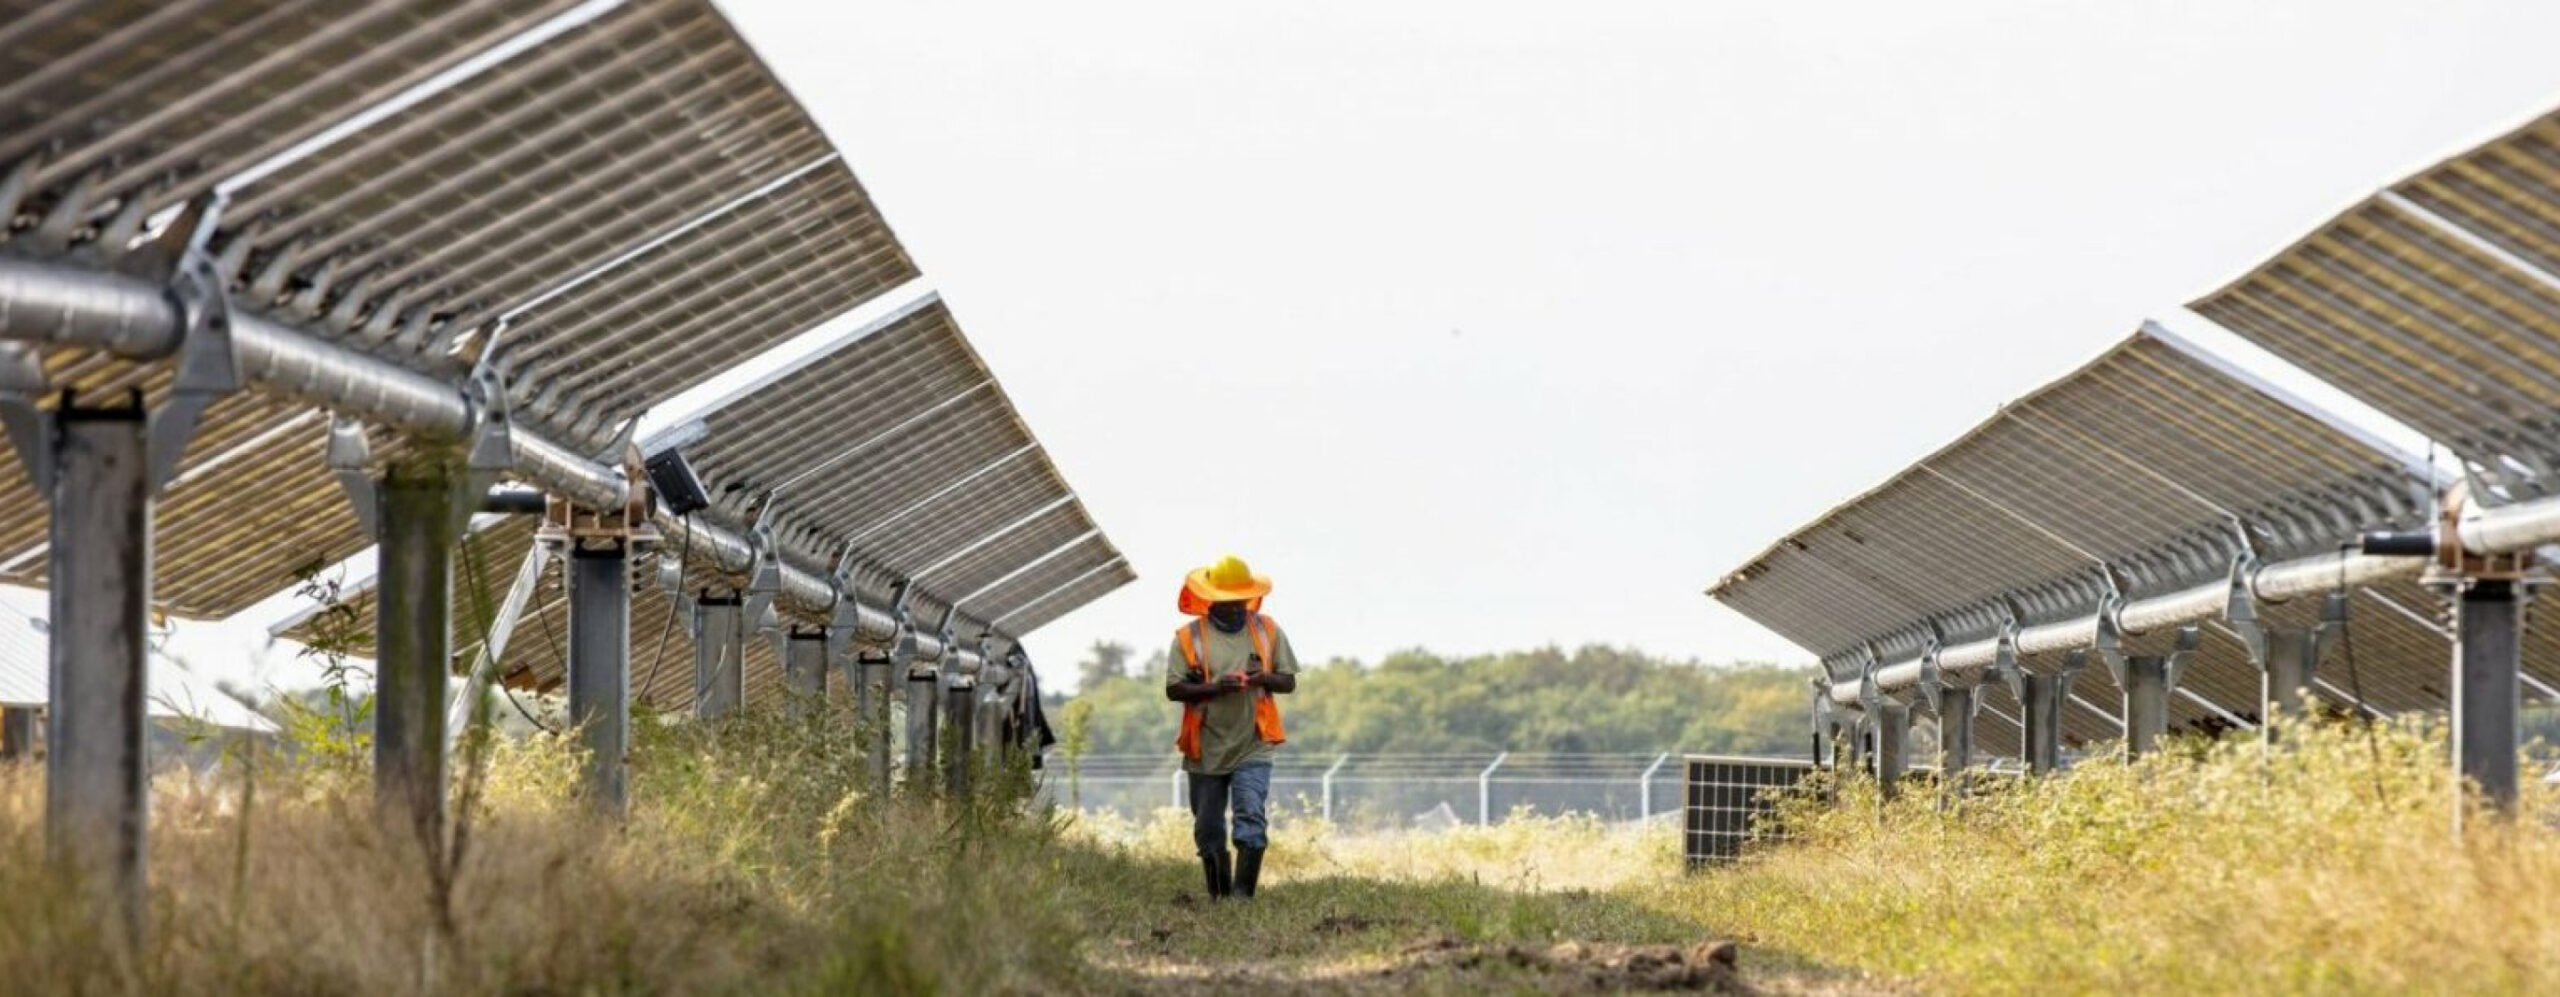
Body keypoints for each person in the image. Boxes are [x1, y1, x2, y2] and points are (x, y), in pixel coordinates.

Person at [1164, 554, 1299, 900]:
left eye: (1240, 601)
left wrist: (1260, 679)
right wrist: (1215, 688)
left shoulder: (1267, 631)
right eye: (1227, 603)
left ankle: (1242, 897)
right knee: (1208, 828)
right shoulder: (1187, 638)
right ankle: (1219, 897)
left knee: (1250, 816)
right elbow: (1174, 689)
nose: (1236, 608)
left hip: (1254, 743)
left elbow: (1287, 682)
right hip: (1205, 747)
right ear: (1210, 601)